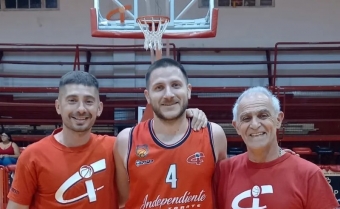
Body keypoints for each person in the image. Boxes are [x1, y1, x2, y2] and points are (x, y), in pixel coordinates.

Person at [6, 71, 209, 209]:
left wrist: (184, 113)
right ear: (58, 106)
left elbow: (160, 134)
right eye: (72, 101)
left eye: (88, 101)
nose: (81, 109)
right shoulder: (33, 156)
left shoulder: (116, 147)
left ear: (99, 108)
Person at [114, 58, 228, 209]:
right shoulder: (126, 141)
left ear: (188, 90)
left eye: (175, 85)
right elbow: (123, 202)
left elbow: (222, 197)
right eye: (159, 87)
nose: (168, 94)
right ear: (147, 96)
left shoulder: (214, 135)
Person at [215, 86, 338, 209]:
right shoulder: (223, 172)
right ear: (236, 127)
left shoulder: (309, 174)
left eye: (263, 115)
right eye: (246, 118)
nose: (255, 124)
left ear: (278, 120)